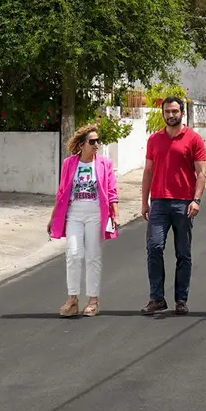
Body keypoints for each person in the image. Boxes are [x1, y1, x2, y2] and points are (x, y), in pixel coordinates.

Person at [141, 96, 206, 315]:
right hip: (159, 202)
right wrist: (144, 202)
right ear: (163, 113)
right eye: (167, 111)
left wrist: (196, 200)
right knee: (154, 248)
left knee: (183, 253)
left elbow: (201, 173)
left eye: (175, 111)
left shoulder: (194, 139)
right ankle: (157, 298)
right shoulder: (154, 140)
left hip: (183, 203)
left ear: (182, 113)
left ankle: (181, 299)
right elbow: (148, 171)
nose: (171, 115)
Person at [48, 124, 120, 317]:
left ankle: (93, 301)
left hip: (96, 214)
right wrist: (53, 216)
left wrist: (116, 215)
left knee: (93, 256)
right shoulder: (69, 163)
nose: (96, 144)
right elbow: (62, 193)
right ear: (81, 145)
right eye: (92, 141)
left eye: (98, 141)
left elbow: (112, 192)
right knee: (73, 254)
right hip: (74, 213)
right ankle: (72, 300)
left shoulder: (105, 164)